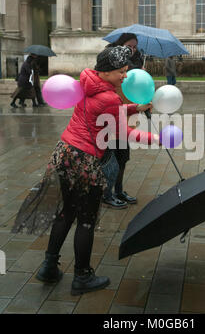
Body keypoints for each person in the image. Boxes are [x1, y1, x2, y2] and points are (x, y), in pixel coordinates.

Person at [11, 45, 160, 296]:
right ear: (108, 72)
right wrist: (156, 139)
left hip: (64, 153)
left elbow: (101, 112)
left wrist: (136, 108)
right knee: (86, 220)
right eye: (121, 72)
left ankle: (48, 267)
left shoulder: (87, 82)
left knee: (66, 213)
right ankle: (82, 276)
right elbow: (120, 131)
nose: (125, 76)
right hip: (84, 160)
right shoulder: (111, 97)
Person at [103, 33, 144, 208]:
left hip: (127, 116)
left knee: (123, 157)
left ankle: (118, 190)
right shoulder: (110, 60)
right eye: (129, 46)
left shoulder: (134, 66)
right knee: (111, 158)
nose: (132, 50)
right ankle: (107, 193)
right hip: (111, 117)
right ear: (121, 44)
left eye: (135, 47)